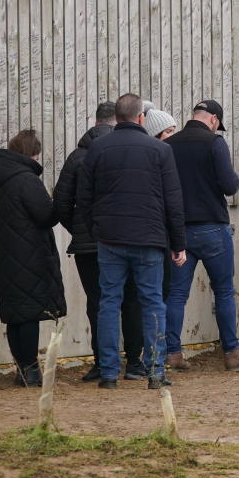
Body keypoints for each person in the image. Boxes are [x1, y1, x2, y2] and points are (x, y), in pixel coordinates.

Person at [76, 93, 186, 389]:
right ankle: (154, 371)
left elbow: (84, 198)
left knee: (109, 303)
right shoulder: (160, 151)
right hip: (149, 238)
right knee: (152, 303)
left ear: (117, 117)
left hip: (109, 239)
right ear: (141, 118)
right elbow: (173, 201)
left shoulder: (97, 148)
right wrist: (178, 242)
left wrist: (95, 229)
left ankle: (109, 373)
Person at [53, 102, 147, 383]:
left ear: (95, 123)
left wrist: (83, 230)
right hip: (126, 238)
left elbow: (60, 204)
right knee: (131, 300)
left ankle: (102, 362)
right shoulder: (131, 152)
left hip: (88, 246)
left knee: (99, 303)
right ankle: (133, 362)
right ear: (119, 122)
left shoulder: (77, 157)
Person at [164, 99, 239, 372]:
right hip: (213, 228)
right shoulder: (214, 143)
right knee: (224, 291)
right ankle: (231, 353)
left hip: (179, 230)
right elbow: (229, 186)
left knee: (177, 294)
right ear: (214, 120)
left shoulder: (169, 145)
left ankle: (173, 354)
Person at [0, 129, 66, 387]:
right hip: (29, 253)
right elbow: (45, 216)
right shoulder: (26, 179)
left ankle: (22, 369)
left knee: (15, 313)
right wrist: (59, 203)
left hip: (2, 253)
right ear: (31, 153)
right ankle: (31, 371)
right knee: (29, 313)